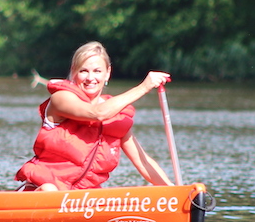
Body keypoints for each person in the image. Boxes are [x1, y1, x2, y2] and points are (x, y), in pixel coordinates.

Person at [15, 41, 173, 191]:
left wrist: (176, 192)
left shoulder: (116, 116)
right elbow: (98, 113)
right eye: (84, 71)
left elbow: (142, 161)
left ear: (108, 73)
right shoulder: (61, 99)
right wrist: (144, 87)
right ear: (74, 72)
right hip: (43, 191)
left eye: (97, 71)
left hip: (83, 200)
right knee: (50, 190)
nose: (90, 78)